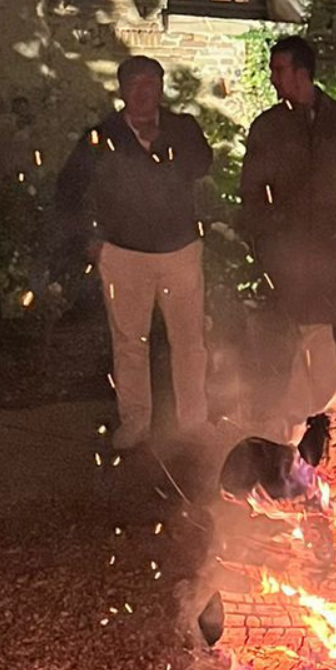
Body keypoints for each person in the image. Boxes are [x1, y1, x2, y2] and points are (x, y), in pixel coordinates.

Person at [53, 56, 215, 450]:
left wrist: (161, 141)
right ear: (123, 90)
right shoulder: (103, 135)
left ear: (161, 88)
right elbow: (68, 189)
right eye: (135, 84)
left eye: (151, 83)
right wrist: (89, 240)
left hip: (178, 250)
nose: (144, 93)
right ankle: (135, 422)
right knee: (129, 343)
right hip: (123, 253)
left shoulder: (182, 128)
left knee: (189, 341)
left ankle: (193, 421)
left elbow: (201, 164)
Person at [240, 36, 336, 429]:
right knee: (305, 329)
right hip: (291, 252)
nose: (273, 78)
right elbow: (252, 190)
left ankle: (323, 411)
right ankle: (313, 414)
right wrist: (267, 241)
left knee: (333, 329)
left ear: (302, 72)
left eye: (279, 70)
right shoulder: (269, 128)